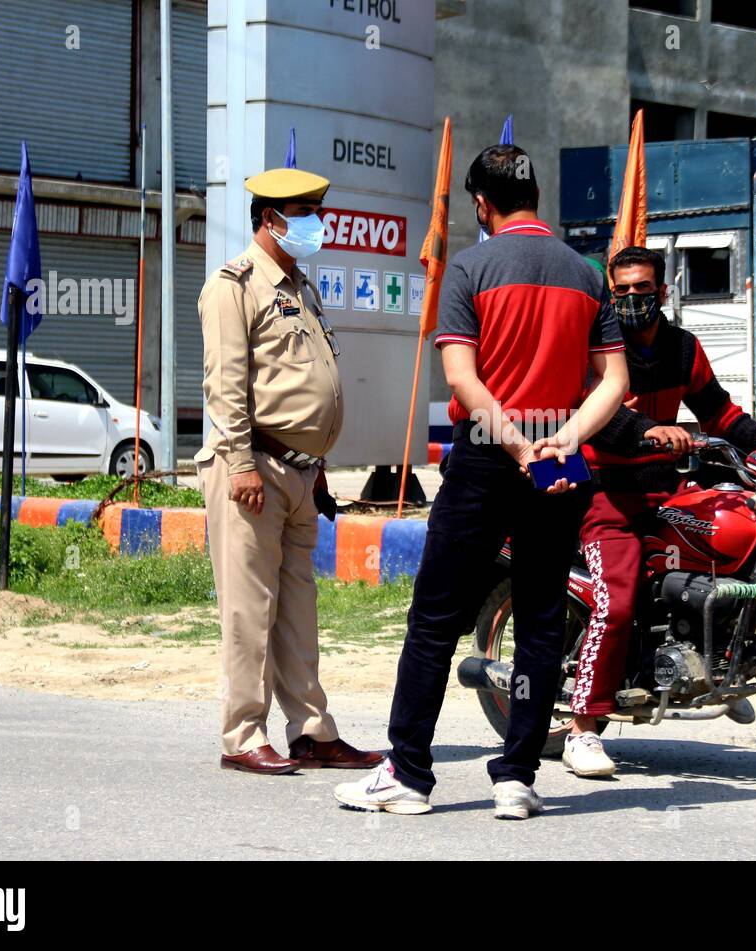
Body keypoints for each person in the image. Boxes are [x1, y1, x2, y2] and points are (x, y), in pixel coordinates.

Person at [334, 145, 629, 818]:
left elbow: (463, 378)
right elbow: (615, 380)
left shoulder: (470, 267)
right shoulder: (586, 274)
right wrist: (564, 439)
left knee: (436, 617)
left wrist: (518, 444)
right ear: (535, 195)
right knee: (541, 620)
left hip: (490, 453)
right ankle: (517, 779)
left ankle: (407, 773)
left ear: (481, 204)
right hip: (562, 458)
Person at [197, 167, 382, 774]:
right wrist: (243, 463)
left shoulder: (300, 286)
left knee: (298, 609)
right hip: (253, 471)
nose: (314, 224)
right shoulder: (233, 286)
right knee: (250, 610)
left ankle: (311, 729)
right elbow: (225, 386)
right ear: (269, 219)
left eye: (314, 212)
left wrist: (317, 462)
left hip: (300, 475)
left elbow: (305, 382)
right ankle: (243, 735)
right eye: (302, 213)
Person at [561, 245, 756, 778]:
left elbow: (719, 412)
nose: (632, 299)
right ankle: (582, 731)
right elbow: (596, 412)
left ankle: (716, 666)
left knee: (733, 546)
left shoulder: (682, 347)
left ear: (663, 292)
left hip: (668, 491)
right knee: (620, 603)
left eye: (642, 289)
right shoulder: (604, 349)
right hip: (607, 492)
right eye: (622, 290)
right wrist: (648, 431)